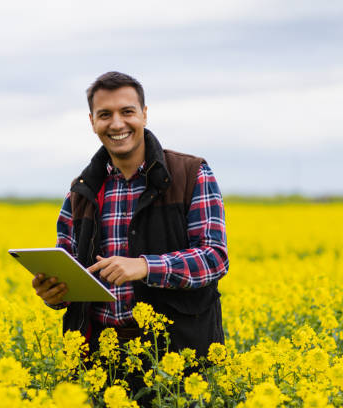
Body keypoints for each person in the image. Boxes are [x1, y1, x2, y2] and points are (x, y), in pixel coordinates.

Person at [32, 71, 229, 359]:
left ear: (144, 115)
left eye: (127, 112)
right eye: (104, 114)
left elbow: (214, 258)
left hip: (176, 359)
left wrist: (145, 266)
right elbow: (70, 268)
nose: (117, 124)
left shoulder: (191, 174)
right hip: (99, 359)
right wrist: (55, 293)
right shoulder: (80, 191)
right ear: (92, 122)